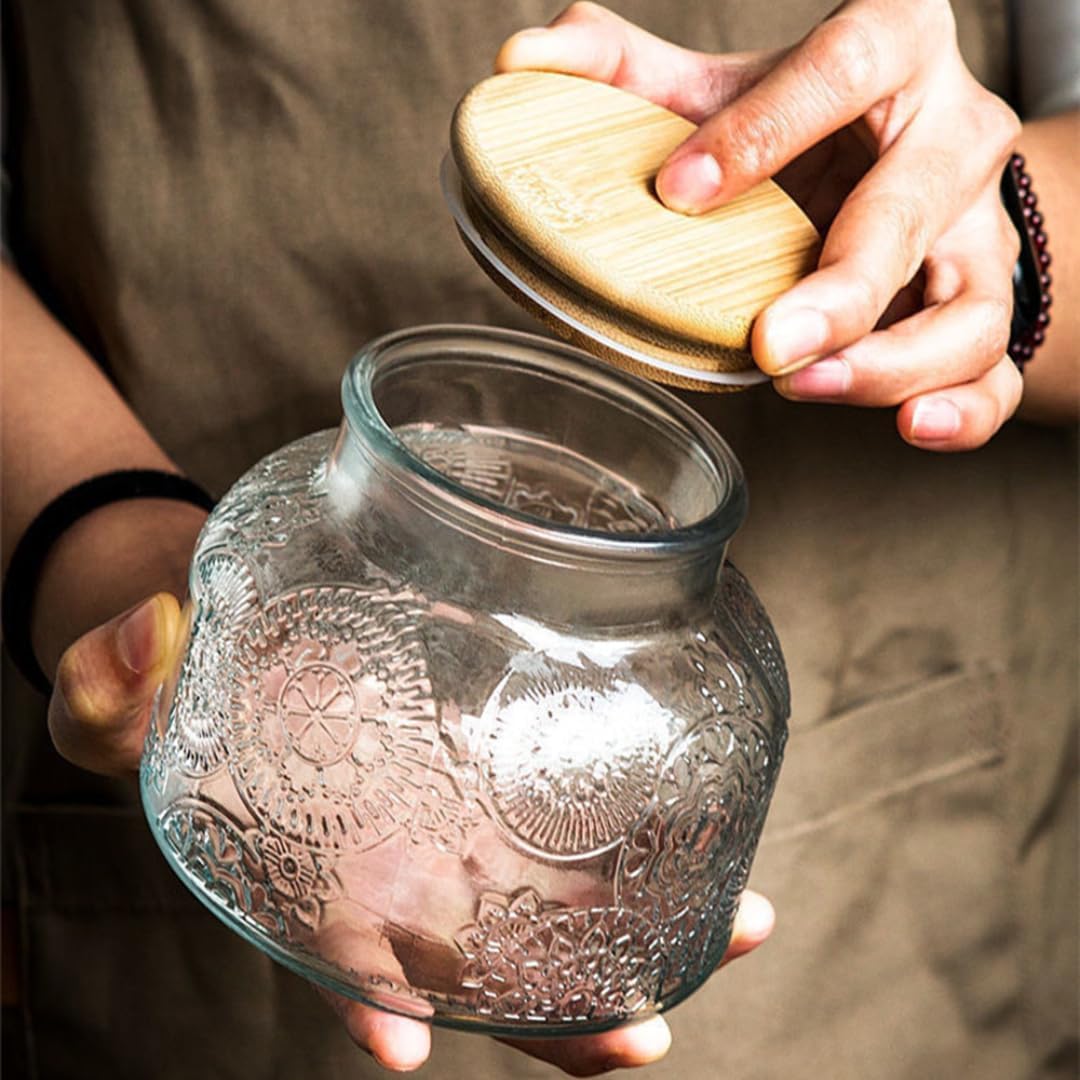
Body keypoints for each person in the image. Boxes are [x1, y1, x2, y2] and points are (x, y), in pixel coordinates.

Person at [2, 1, 1076, 1077]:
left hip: (903, 859)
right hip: (191, 974)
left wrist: (969, 252)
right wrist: (119, 548)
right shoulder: (272, 534)